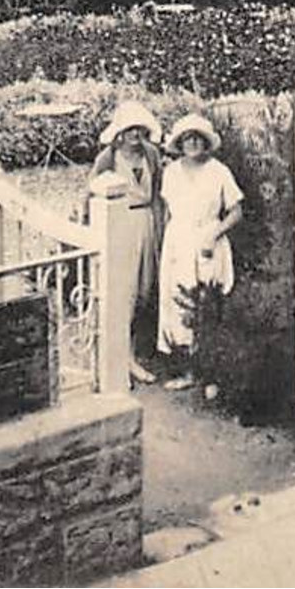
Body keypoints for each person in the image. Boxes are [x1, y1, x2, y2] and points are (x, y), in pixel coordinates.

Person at [156, 113, 243, 390]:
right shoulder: (171, 172)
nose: (192, 143)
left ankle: (212, 374)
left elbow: (236, 211)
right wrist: (167, 248)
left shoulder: (219, 171)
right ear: (179, 143)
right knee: (179, 303)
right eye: (186, 139)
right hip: (179, 242)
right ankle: (188, 372)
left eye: (197, 138)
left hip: (209, 240)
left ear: (205, 142)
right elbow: (168, 213)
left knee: (209, 304)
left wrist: (213, 234)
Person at [87, 101, 166, 386]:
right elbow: (91, 192)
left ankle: (132, 352)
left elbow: (157, 193)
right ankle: (120, 359)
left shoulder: (152, 155)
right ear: (119, 132)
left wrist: (159, 225)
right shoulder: (108, 158)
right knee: (123, 291)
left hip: (146, 222)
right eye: (129, 128)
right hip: (119, 225)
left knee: (144, 291)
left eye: (139, 128)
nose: (135, 133)